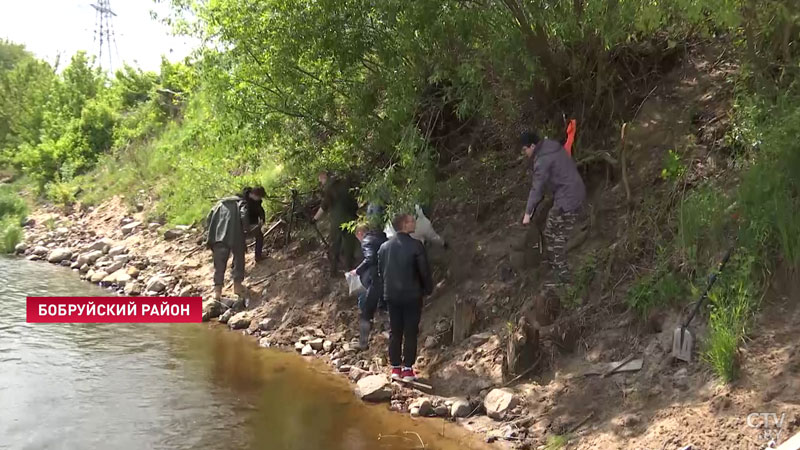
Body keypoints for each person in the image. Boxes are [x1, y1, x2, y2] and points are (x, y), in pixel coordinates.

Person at [519, 130, 586, 290]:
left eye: (524, 149)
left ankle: (564, 279)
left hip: (567, 199)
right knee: (552, 231)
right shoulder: (552, 146)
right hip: (575, 191)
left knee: (555, 236)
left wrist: (527, 214)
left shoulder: (542, 160)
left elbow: (537, 188)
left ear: (533, 146)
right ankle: (559, 270)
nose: (524, 153)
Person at [378, 213, 433, 382]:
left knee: (395, 331)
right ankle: (408, 370)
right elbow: (423, 271)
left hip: (392, 295)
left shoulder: (384, 247)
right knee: (410, 331)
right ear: (403, 224)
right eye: (411, 221)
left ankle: (395, 368)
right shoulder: (416, 246)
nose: (414, 223)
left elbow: (381, 273)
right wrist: (427, 288)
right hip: (412, 295)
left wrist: (384, 294)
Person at [205, 195, 251, 301]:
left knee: (219, 265)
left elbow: (208, 220)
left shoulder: (217, 206)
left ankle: (217, 291)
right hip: (236, 236)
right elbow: (244, 216)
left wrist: (210, 233)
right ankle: (237, 287)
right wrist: (247, 230)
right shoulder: (241, 204)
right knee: (239, 260)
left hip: (218, 237)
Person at [350, 223, 388, 350]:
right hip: (391, 277)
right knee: (385, 308)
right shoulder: (382, 237)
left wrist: (357, 271)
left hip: (377, 280)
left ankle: (363, 343)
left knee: (367, 312)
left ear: (360, 233)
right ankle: (391, 335)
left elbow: (370, 258)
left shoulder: (366, 241)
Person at [313, 171, 359, 275]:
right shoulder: (344, 184)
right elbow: (353, 201)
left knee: (335, 245)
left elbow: (324, 206)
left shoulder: (329, 188)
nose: (321, 183)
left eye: (321, 180)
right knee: (349, 245)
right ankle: (349, 269)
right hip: (349, 218)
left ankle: (333, 270)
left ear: (324, 176)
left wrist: (315, 219)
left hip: (337, 221)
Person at [239, 186, 267, 262]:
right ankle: (235, 263)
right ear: (254, 195)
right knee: (239, 243)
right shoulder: (243, 201)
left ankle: (258, 256)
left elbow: (260, 210)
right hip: (239, 226)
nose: (260, 199)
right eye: (259, 197)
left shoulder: (256, 202)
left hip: (252, 224)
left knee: (259, 236)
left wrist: (262, 218)